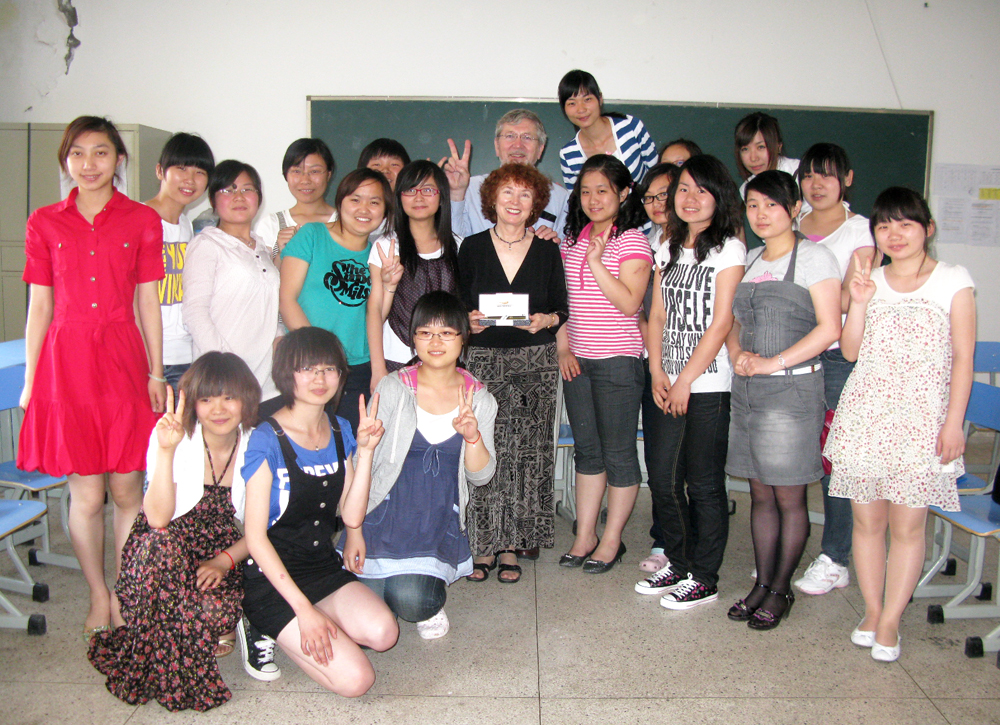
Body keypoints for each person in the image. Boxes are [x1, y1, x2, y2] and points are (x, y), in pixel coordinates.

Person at [18, 116, 166, 638]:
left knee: (126, 492)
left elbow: (148, 301)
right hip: (67, 366)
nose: (88, 164)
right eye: (77, 153)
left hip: (124, 360)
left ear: (119, 159)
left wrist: (155, 371)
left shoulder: (142, 219)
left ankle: (125, 591)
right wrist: (32, 381)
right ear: (66, 161)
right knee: (86, 496)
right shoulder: (44, 222)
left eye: (100, 152)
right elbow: (39, 307)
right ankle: (98, 593)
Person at [826, 188, 975, 662]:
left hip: (922, 421)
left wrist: (954, 424)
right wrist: (859, 301)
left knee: (908, 526)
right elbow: (851, 351)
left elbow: (964, 358)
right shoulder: (871, 280)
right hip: (867, 414)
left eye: (905, 224)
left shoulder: (952, 279)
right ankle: (872, 612)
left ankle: (891, 620)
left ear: (927, 229)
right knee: (867, 522)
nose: (894, 234)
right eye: (884, 225)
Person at [87, 352, 258, 711]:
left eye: (229, 397)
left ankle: (168, 623)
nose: (218, 409)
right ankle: (171, 640)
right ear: (193, 403)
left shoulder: (256, 442)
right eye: (206, 399)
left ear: (247, 399)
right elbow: (157, 519)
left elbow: (263, 526)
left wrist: (224, 561)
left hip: (219, 549)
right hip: (162, 545)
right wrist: (166, 451)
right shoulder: (174, 436)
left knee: (212, 613)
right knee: (162, 544)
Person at [241, 327, 398, 696]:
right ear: (286, 374)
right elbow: (255, 538)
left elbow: (350, 515)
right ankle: (261, 625)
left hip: (320, 565)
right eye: (307, 369)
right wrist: (303, 611)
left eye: (328, 369)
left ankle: (311, 623)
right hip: (271, 579)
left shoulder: (340, 428)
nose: (319, 379)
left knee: (384, 633)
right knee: (357, 681)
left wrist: (366, 452)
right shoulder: (265, 437)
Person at [340, 292, 497, 637]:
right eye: (425, 333)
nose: (435, 342)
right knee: (362, 627)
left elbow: (481, 476)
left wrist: (472, 438)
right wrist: (353, 531)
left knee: (412, 600)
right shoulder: (393, 388)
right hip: (383, 515)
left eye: (446, 333)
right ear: (413, 338)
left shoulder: (479, 399)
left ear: (463, 337)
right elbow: (363, 462)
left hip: (435, 520)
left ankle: (425, 600)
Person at [725, 170, 841, 630]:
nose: (761, 214)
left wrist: (773, 363)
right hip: (748, 392)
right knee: (760, 493)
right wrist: (736, 354)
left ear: (794, 209)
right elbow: (733, 321)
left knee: (789, 496)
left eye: (771, 204)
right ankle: (761, 583)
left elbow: (829, 328)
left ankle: (780, 588)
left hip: (792, 392)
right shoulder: (751, 258)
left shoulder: (815, 257)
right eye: (753, 205)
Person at [634, 156, 745, 609]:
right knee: (662, 479)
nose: (691, 198)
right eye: (683, 189)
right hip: (666, 378)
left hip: (709, 384)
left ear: (719, 197)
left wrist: (685, 381)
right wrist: (657, 372)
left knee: (703, 484)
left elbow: (721, 323)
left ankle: (705, 576)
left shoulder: (729, 249)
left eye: (702, 190)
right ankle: (678, 564)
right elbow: (657, 314)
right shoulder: (668, 246)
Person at [458, 163, 568, 579]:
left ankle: (513, 545)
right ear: (492, 199)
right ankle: (484, 543)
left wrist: (547, 320)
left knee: (528, 452)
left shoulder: (547, 249)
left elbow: (561, 307)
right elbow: (458, 305)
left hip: (535, 362)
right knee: (484, 446)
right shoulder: (471, 247)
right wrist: (468, 321)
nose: (515, 201)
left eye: (525, 194)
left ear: (536, 203)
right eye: (508, 192)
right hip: (483, 361)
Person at [558, 154, 652, 574]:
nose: (593, 199)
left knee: (618, 453)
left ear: (624, 193)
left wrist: (596, 261)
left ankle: (612, 539)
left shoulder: (631, 241)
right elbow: (562, 303)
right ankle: (585, 535)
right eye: (586, 191)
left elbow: (630, 303)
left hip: (617, 361)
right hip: (577, 361)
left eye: (603, 190)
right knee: (587, 452)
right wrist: (563, 348)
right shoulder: (571, 240)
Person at [792, 143, 877, 597]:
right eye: (808, 175)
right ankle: (793, 544)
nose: (816, 184)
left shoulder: (860, 231)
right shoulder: (792, 222)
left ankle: (836, 557)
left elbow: (847, 296)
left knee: (835, 460)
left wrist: (800, 303)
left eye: (826, 175)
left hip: (838, 356)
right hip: (793, 353)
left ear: (847, 178)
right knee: (796, 454)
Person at [280, 168, 393, 434]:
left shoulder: (377, 254)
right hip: (308, 364)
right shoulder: (312, 235)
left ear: (385, 210)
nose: (364, 209)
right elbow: (286, 299)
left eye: (374, 202)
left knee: (351, 446)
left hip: (357, 368)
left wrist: (378, 369)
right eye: (355, 199)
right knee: (309, 442)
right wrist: (318, 358)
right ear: (340, 201)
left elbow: (375, 315)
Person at [182, 160, 283, 415]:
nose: (239, 197)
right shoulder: (207, 244)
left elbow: (269, 307)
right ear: (213, 200)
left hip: (267, 384)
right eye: (228, 190)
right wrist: (227, 368)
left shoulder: (261, 247)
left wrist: (281, 342)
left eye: (247, 189)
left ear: (258, 197)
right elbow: (195, 312)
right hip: (222, 383)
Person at [367, 160, 461, 392]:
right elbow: (374, 311)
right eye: (410, 190)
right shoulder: (387, 246)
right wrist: (378, 369)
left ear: (442, 197)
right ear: (399, 197)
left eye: (428, 190)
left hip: (446, 361)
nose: (419, 197)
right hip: (396, 360)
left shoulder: (458, 246)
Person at [635, 162, 680, 573]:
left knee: (689, 466)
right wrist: (655, 365)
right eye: (649, 197)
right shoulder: (644, 243)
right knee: (660, 461)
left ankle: (685, 542)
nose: (657, 203)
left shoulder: (704, 244)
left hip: (695, 367)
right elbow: (643, 311)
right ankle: (665, 539)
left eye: (665, 194)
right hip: (655, 365)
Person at [144, 132, 215, 391]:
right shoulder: (138, 220)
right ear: (160, 171)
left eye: (199, 172)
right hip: (148, 359)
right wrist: (153, 369)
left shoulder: (187, 226)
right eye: (181, 168)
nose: (190, 179)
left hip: (185, 356)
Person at [441, 109, 570, 240]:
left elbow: (567, 246)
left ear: (540, 149)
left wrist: (553, 245)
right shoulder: (469, 188)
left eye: (527, 137)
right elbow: (454, 242)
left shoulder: (560, 197)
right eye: (510, 136)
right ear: (497, 146)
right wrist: (456, 194)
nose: (518, 145)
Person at [557, 70, 657, 191]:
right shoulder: (568, 154)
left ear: (600, 99)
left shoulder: (631, 127)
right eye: (572, 103)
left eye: (587, 99)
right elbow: (576, 198)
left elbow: (657, 175)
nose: (581, 109)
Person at [254, 138, 337, 266]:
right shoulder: (271, 224)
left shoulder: (345, 222)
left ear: (329, 174)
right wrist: (281, 253)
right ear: (286, 175)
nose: (305, 180)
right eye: (296, 171)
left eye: (314, 171)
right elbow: (263, 276)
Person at [734, 112, 799, 199]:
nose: (753, 158)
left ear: (778, 147)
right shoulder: (747, 188)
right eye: (745, 149)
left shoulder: (801, 173)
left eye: (761, 147)